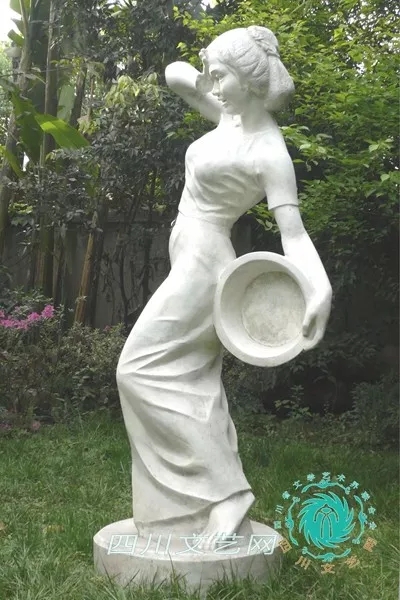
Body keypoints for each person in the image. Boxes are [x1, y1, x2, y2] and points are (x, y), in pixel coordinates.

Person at [116, 26, 332, 549]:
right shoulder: (229, 115)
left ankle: (226, 492)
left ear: (251, 83)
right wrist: (208, 67)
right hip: (189, 253)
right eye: (213, 76)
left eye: (223, 77)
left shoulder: (269, 152)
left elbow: (294, 234)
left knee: (137, 370)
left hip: (207, 264)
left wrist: (320, 288)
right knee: (193, 381)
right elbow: (177, 77)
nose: (213, 86)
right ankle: (186, 505)